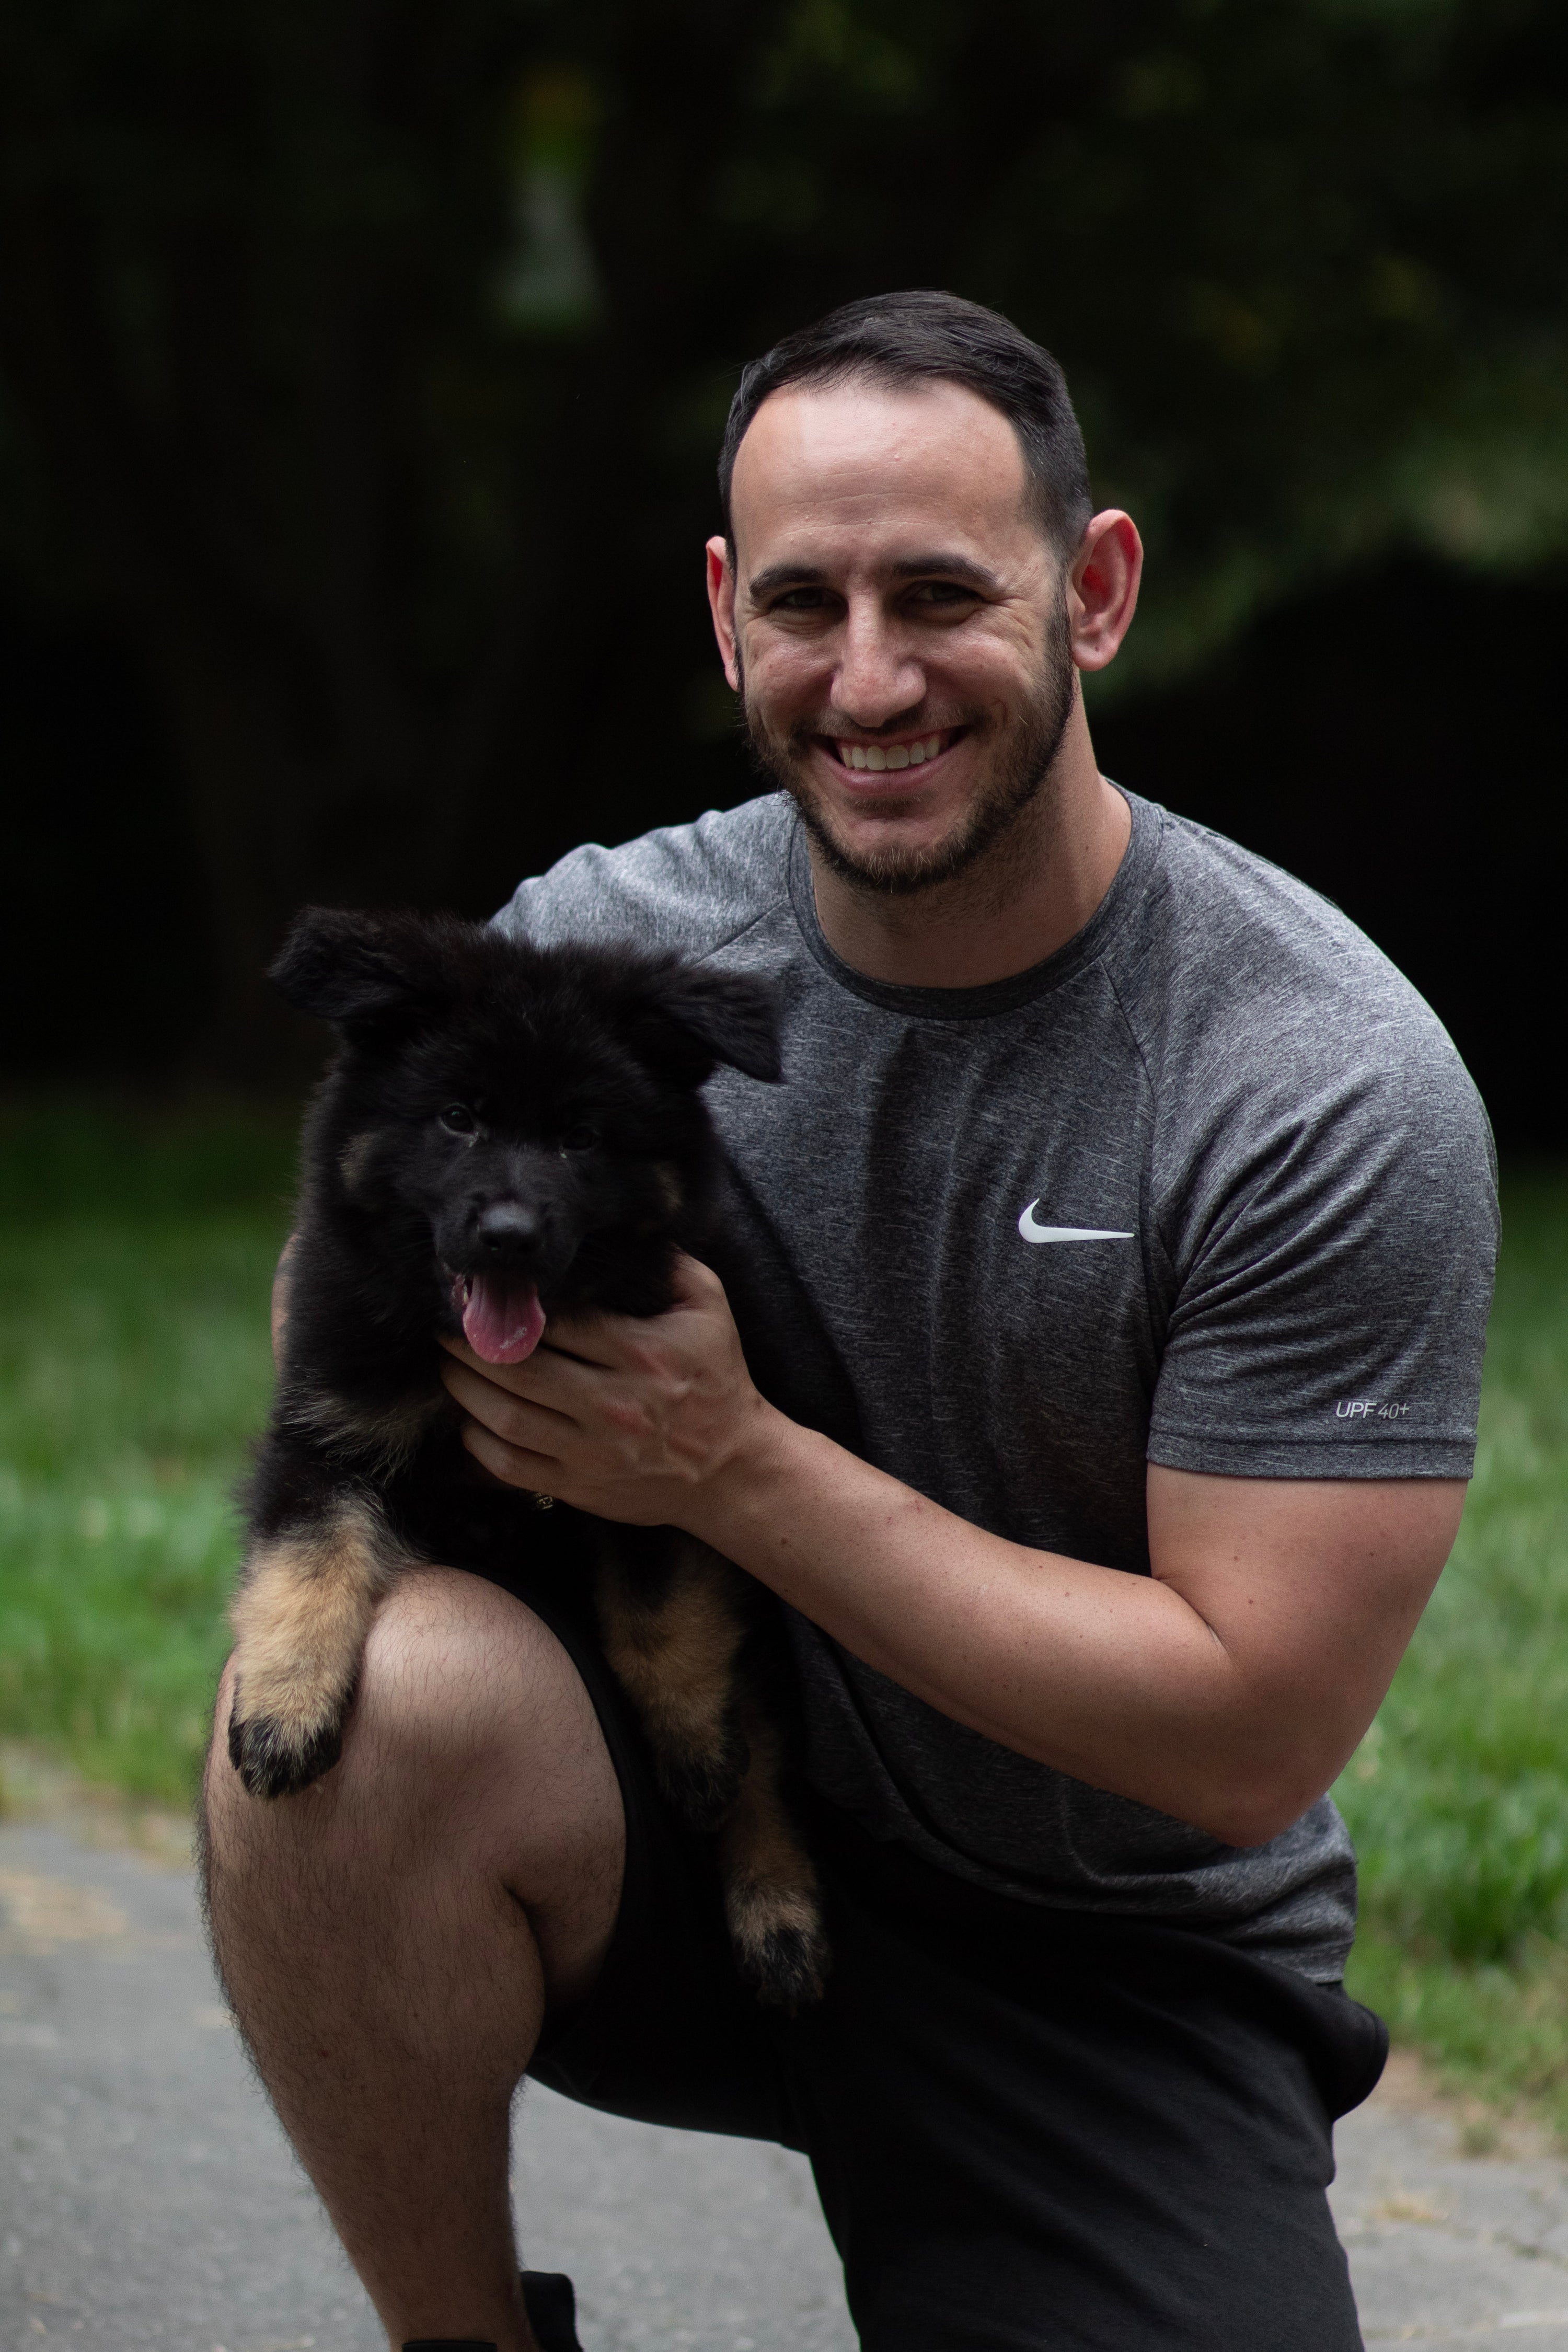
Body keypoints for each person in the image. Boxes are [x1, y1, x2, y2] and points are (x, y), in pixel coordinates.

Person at [202, 290, 1497, 2352]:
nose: (870, 677)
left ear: (1096, 592)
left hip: (1104, 1954)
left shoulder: (1315, 1079)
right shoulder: (600, 949)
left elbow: (1252, 1732)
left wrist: (735, 1469)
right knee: (371, 1707)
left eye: (942, 595)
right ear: (728, 617)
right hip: (655, 1819)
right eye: (806, 602)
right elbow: (337, 1289)